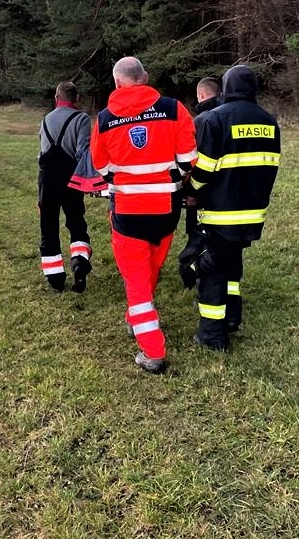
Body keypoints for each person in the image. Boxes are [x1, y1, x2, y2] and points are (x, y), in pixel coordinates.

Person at [90, 56, 197, 374]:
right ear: (145, 77)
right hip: (166, 209)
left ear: (116, 82)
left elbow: (101, 167)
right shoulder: (174, 109)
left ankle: (152, 351)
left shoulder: (105, 119)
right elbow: (188, 158)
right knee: (151, 268)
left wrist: (125, 181)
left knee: (136, 283)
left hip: (127, 212)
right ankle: (134, 320)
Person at [186, 65, 280, 351]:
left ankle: (213, 335)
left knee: (211, 269)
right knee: (232, 264)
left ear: (226, 88)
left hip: (220, 211)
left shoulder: (214, 119)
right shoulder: (269, 122)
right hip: (253, 211)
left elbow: (204, 169)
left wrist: (190, 192)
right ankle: (232, 316)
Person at [38, 81, 93, 293]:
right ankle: (79, 263)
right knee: (76, 223)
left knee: (48, 227)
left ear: (56, 98)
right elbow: (82, 152)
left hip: (46, 179)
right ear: (76, 99)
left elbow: (42, 151)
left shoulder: (45, 120)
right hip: (71, 180)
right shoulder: (81, 119)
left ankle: (55, 279)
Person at [178, 76, 222, 288]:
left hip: (202, 191)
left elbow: (196, 161)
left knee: (198, 233)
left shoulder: (202, 121)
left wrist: (191, 191)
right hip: (227, 193)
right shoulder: (230, 116)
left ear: (201, 95)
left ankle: (192, 271)